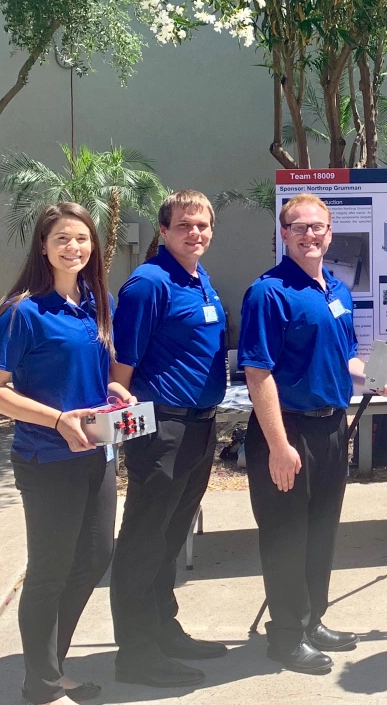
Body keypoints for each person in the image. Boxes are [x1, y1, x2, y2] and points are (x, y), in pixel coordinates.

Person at [238, 193, 387, 674]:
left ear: (330, 233)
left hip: (332, 427)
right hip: (288, 431)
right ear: (284, 233)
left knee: (320, 534)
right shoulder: (268, 292)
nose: (309, 235)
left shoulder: (335, 288)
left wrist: (380, 378)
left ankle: (312, 622)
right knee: (286, 537)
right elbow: (258, 373)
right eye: (299, 227)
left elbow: (346, 359)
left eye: (318, 227)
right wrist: (278, 445)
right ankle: (285, 637)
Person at [0, 203, 134, 705]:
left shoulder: (96, 302)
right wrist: (57, 420)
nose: (74, 248)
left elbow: (91, 370)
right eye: (62, 239)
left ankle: (52, 663)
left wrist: (113, 389)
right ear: (42, 246)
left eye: (82, 239)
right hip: (47, 458)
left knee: (95, 557)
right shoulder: (22, 311)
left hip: (97, 454)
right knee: (50, 570)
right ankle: (41, 680)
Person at [109, 190, 228, 687]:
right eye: (184, 225)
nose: (194, 233)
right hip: (160, 427)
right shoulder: (148, 283)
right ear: (163, 232)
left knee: (172, 534)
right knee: (143, 537)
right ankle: (135, 652)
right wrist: (129, 432)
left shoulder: (201, 280)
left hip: (200, 425)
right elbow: (120, 372)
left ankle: (163, 627)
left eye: (202, 225)